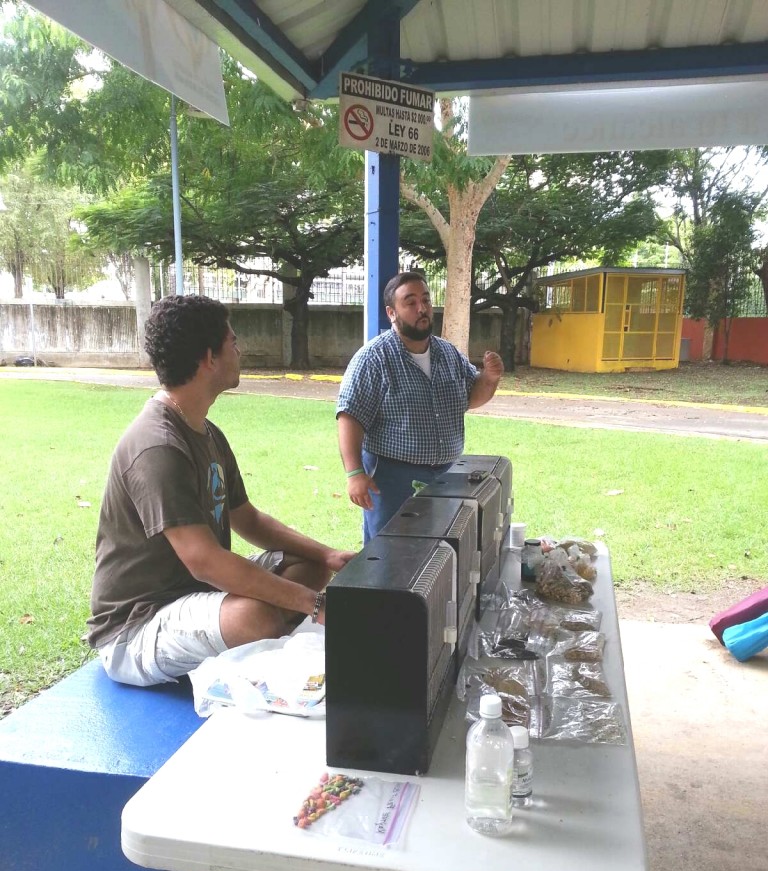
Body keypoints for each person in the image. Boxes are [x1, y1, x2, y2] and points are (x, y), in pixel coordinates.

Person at [87, 294, 355, 687]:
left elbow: (247, 518)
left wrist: (327, 555)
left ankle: (263, 634)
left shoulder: (206, 432)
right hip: (137, 626)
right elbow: (205, 561)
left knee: (308, 567)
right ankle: (264, 634)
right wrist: (310, 604)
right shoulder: (157, 445)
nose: (240, 348)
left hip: (198, 593)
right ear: (209, 358)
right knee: (256, 617)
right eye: (233, 341)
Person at [336, 271, 504, 542]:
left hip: (447, 474)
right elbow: (349, 416)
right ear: (392, 312)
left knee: (441, 554)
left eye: (425, 300)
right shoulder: (373, 358)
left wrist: (489, 379)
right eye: (410, 302)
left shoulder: (448, 353)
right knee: (392, 555)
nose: (421, 308)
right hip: (391, 479)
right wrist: (355, 473)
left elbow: (470, 398)